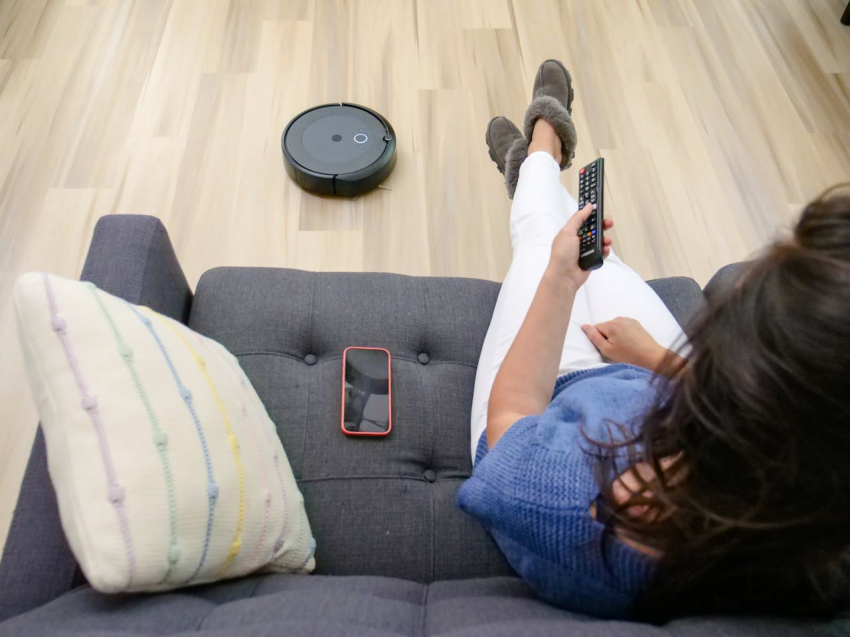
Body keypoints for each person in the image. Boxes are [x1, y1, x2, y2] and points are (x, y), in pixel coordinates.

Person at [458, 59, 850, 622]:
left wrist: (559, 280)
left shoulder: (568, 503)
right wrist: (657, 359)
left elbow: (514, 411)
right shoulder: (819, 509)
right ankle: (534, 172)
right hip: (649, 377)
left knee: (546, 242)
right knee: (594, 252)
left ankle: (540, 149)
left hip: (545, 406)